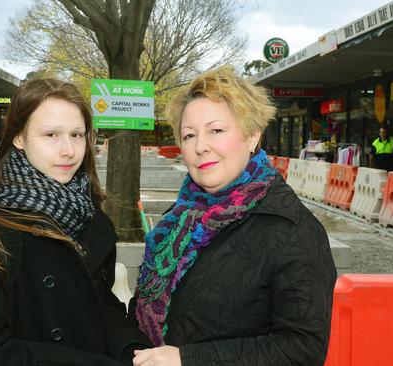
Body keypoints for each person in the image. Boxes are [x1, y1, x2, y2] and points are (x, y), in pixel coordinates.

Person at [130, 66, 337, 366]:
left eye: (216, 130)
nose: (201, 146)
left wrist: (188, 360)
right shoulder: (180, 218)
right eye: (189, 135)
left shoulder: (292, 229)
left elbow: (302, 349)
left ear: (252, 136)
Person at [0, 78, 151, 365]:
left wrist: (133, 350)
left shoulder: (92, 217)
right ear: (19, 137)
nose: (68, 150)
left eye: (77, 135)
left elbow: (100, 306)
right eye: (51, 135)